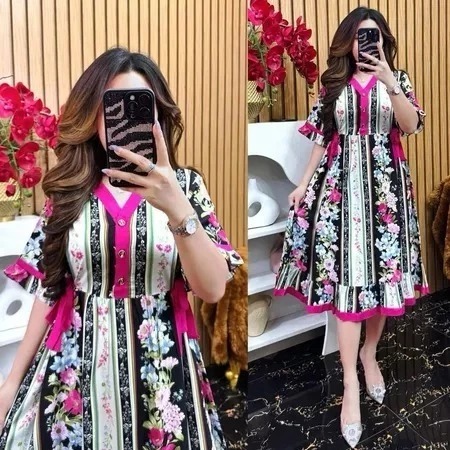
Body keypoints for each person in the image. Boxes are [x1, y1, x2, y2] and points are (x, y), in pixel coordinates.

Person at [0, 47, 242, 450]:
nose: (124, 121)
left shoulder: (186, 188)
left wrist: (177, 207)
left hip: (163, 378)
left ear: (157, 116)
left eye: (140, 107)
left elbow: (213, 289)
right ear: (93, 116)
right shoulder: (68, 193)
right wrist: (10, 384)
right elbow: (50, 290)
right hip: (72, 375)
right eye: (111, 107)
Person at [274, 7, 427, 448]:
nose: (367, 43)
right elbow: (322, 138)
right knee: (349, 284)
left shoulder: (398, 79)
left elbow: (411, 125)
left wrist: (390, 81)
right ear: (348, 41)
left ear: (384, 41)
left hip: (386, 197)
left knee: (382, 279)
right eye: (360, 36)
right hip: (340, 195)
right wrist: (303, 184)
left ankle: (369, 354)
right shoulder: (333, 85)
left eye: (373, 35)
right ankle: (350, 384)